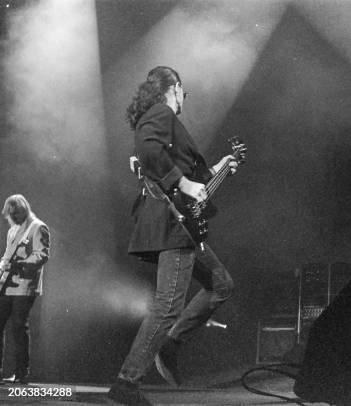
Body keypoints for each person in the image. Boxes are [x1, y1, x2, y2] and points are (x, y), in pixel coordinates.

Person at [108, 66, 238, 405]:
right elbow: (148, 149)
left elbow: (192, 180)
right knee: (167, 305)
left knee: (221, 283)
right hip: (172, 223)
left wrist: (218, 169)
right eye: (184, 93)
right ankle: (126, 383)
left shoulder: (161, 118)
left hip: (182, 223)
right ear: (175, 88)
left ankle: (170, 345)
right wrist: (182, 182)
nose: (184, 100)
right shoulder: (162, 112)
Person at [0, 194, 50, 384]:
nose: (11, 218)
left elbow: (42, 255)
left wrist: (20, 264)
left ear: (21, 211)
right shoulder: (13, 229)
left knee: (18, 328)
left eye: (14, 214)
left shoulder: (38, 227)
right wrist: (3, 263)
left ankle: (21, 373)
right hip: (6, 285)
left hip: (24, 286)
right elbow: (7, 253)